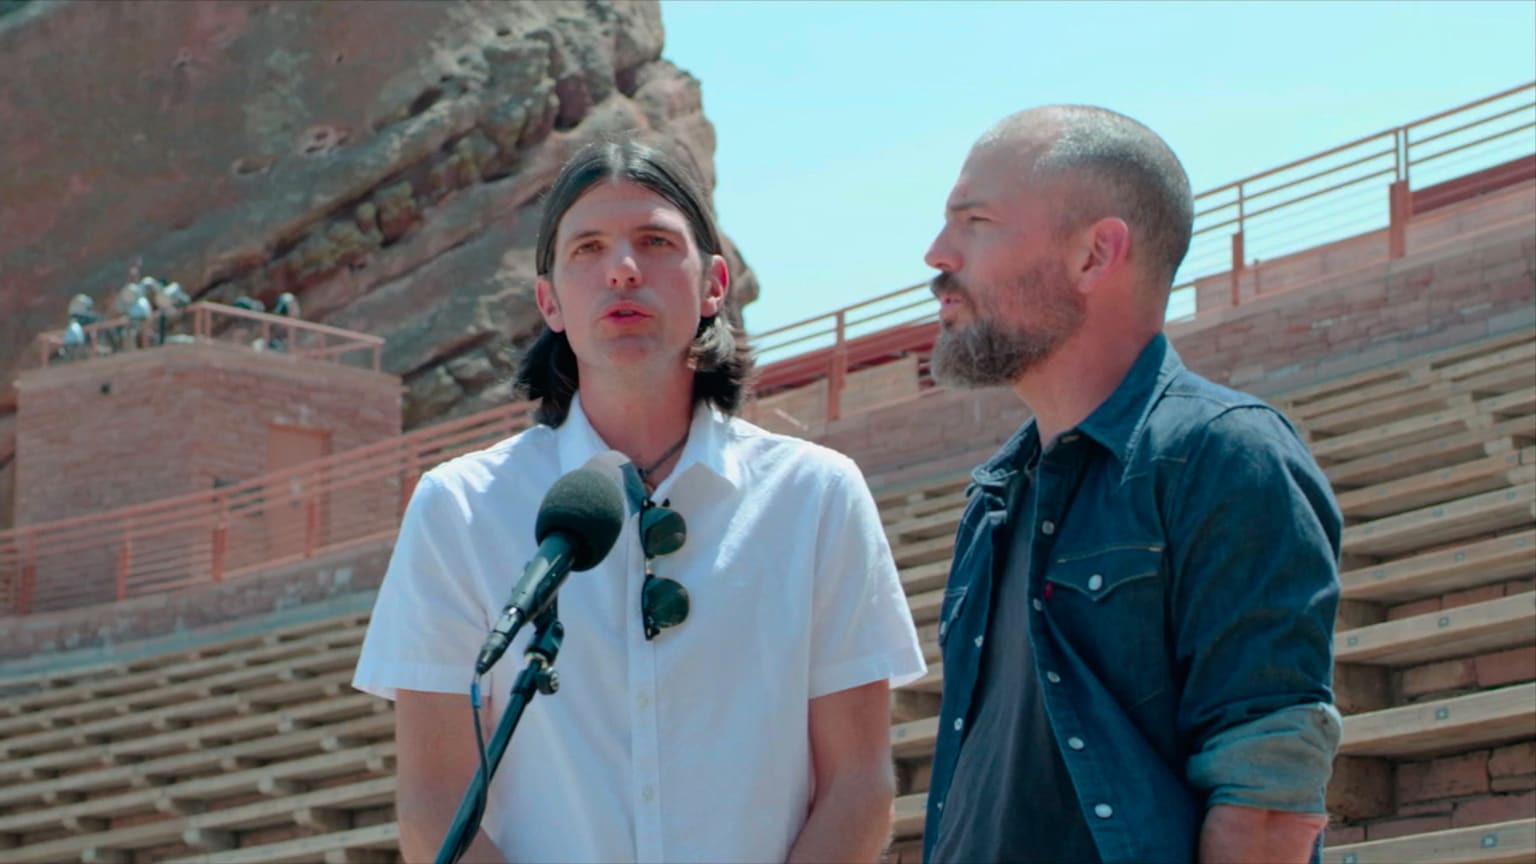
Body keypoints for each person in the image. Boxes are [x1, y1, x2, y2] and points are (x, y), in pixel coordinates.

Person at [353, 139, 926, 864]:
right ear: (549, 301)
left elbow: (859, 785)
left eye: (655, 242)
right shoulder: (458, 510)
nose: (622, 269)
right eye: (587, 248)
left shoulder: (817, 497)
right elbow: (434, 804)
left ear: (715, 285)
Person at [920, 106, 1343, 864]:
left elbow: (1269, 803)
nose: (936, 254)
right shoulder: (993, 500)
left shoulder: (1225, 454)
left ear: (1094, 255)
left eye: (974, 221)